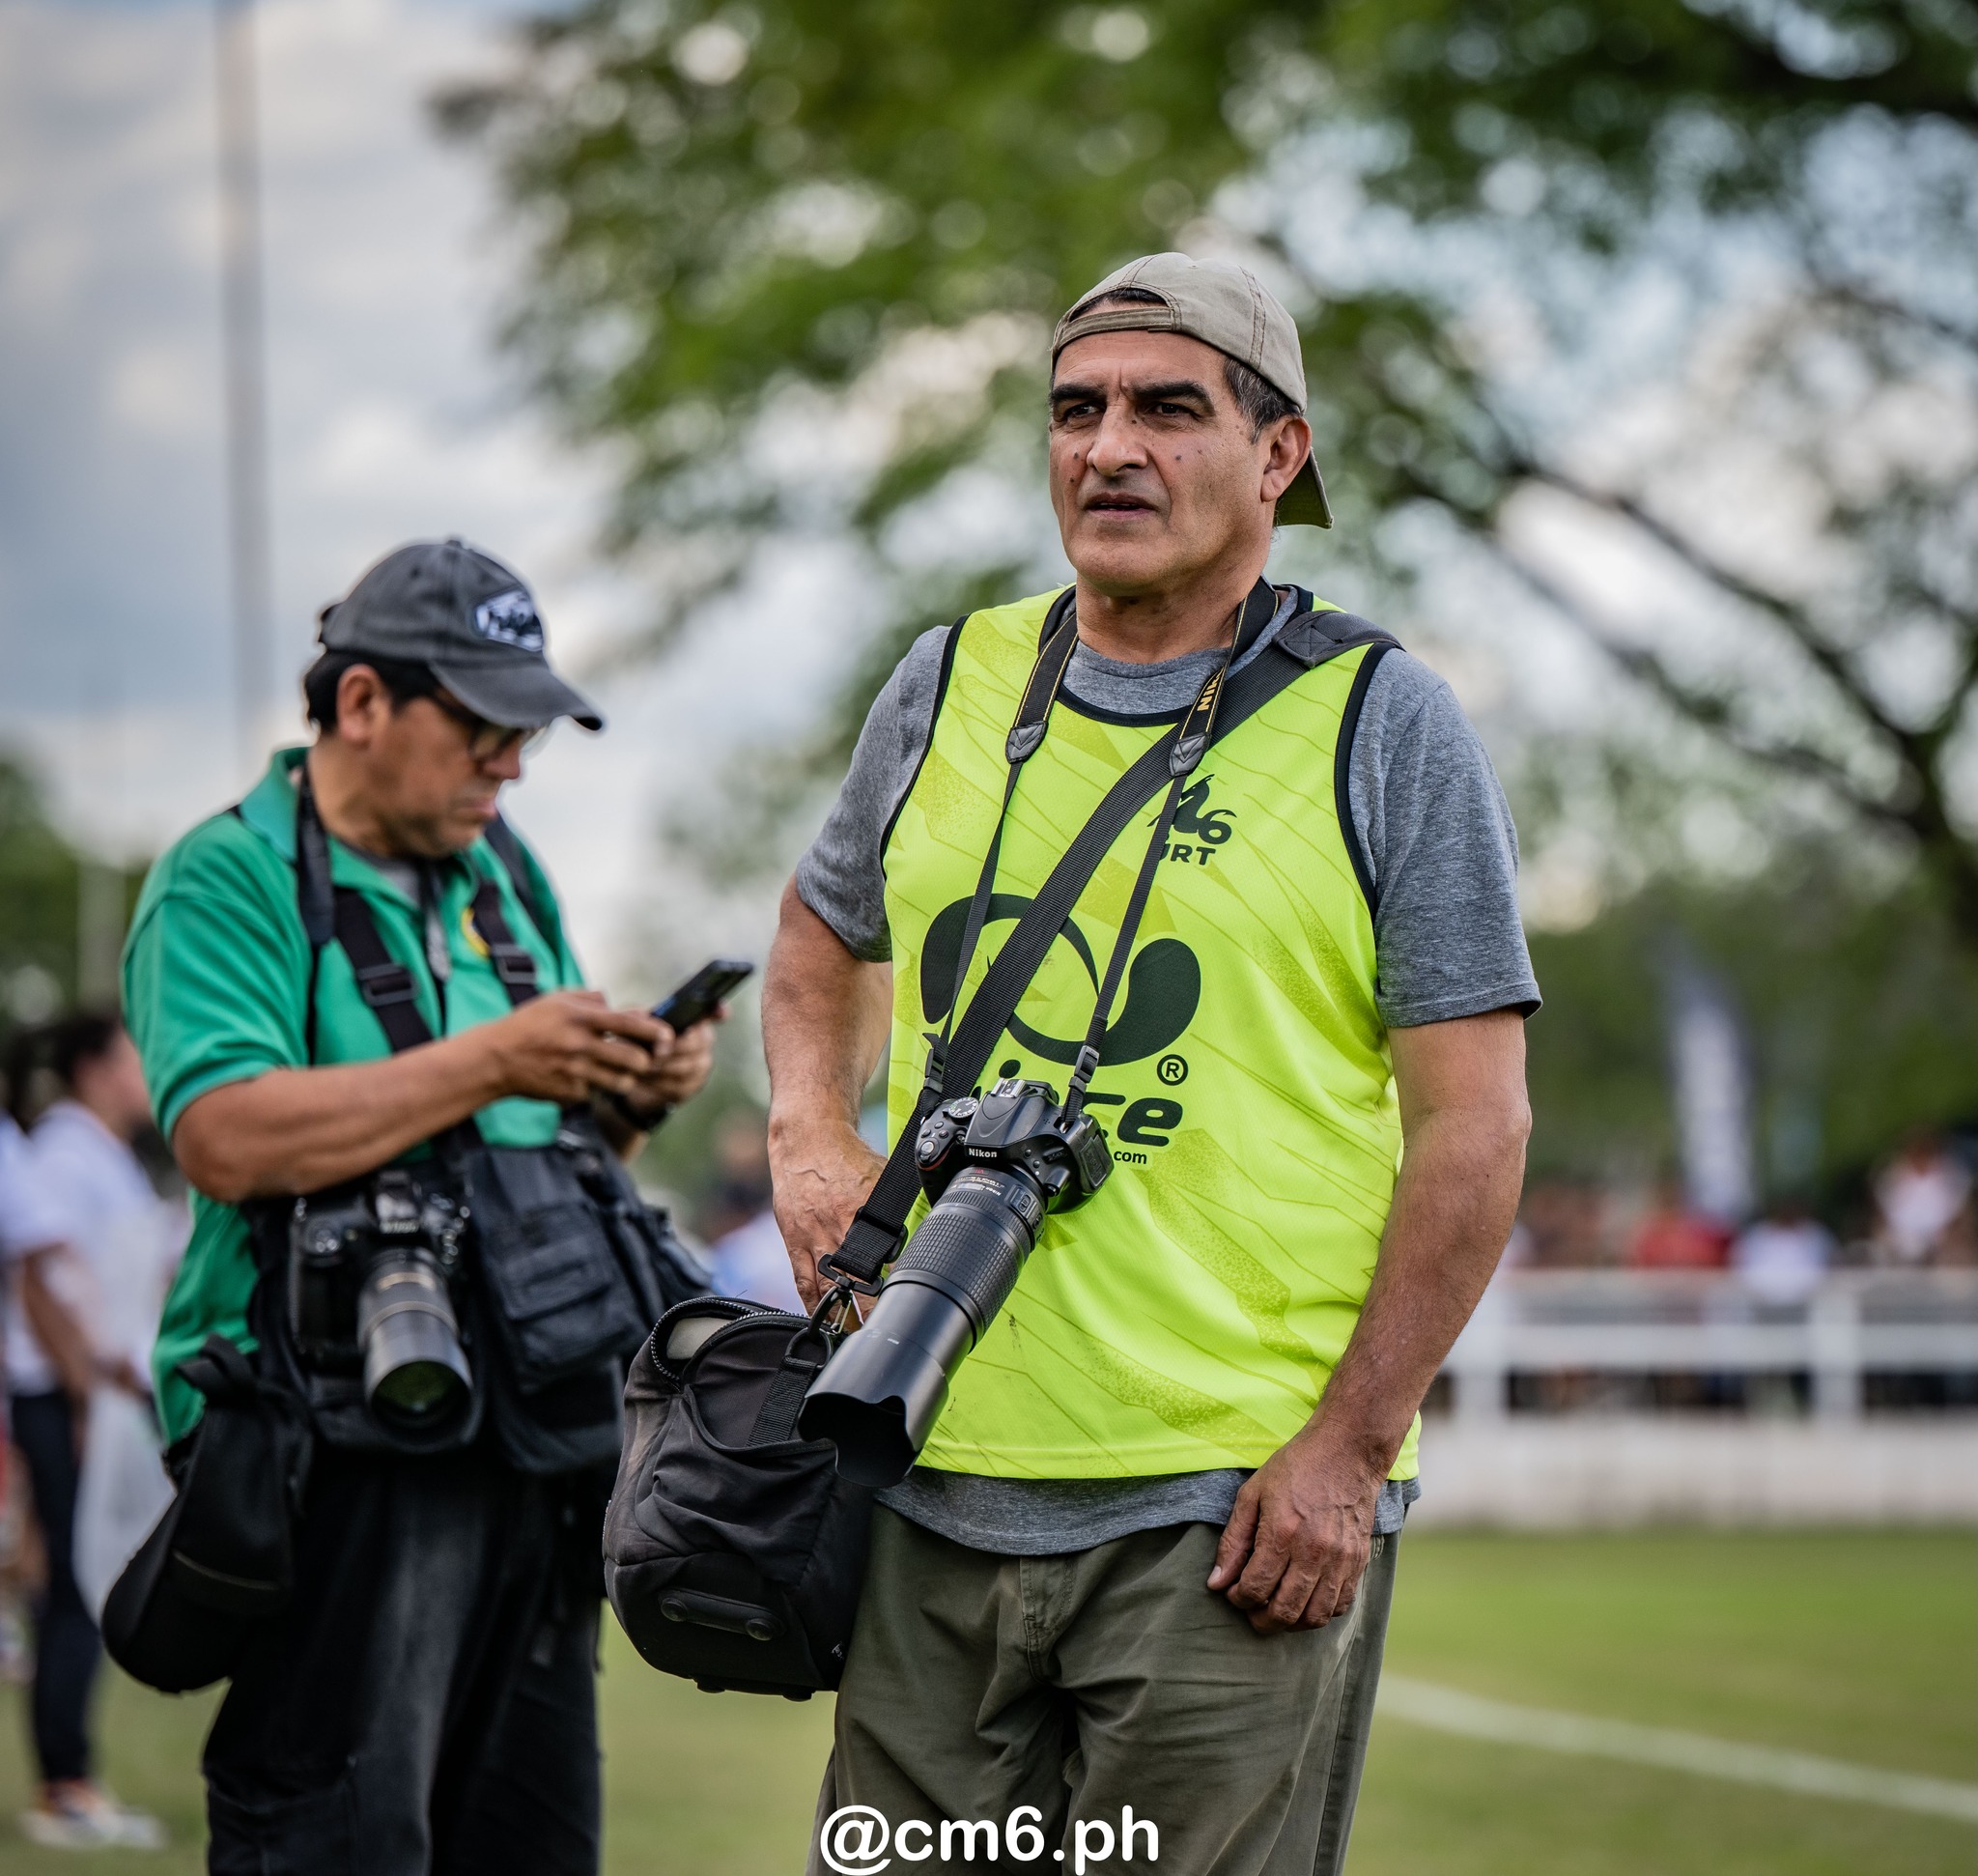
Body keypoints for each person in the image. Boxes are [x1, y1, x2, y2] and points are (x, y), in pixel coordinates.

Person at [766, 254, 1537, 1874]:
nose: (1105, 446)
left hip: (1223, 1513)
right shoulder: (946, 681)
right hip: (922, 1462)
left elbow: (1472, 1133)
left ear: (1276, 454)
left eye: (1165, 408)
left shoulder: (1377, 719)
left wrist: (1346, 1450)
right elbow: (817, 934)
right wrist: (807, 1137)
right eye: (1074, 408)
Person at [123, 539, 719, 1876]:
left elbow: (541, 1145)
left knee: (530, 1835)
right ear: (362, 704)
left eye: (530, 731)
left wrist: (635, 1084)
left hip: (530, 1425)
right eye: (484, 724)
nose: (512, 761)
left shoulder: (503, 871)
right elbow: (225, 1132)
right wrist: (501, 1055)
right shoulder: (225, 875)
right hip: (334, 1436)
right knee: (344, 1832)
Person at [5, 1012, 180, 1848]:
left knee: (81, 1585)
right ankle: (63, 1787)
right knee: (71, 1590)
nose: (149, 1072)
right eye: (134, 1056)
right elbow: (47, 1286)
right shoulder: (64, 1156)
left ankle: (71, 1777)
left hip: (98, 1400)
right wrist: (82, 1399)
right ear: (95, 1070)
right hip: (68, 1400)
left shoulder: (102, 1158)